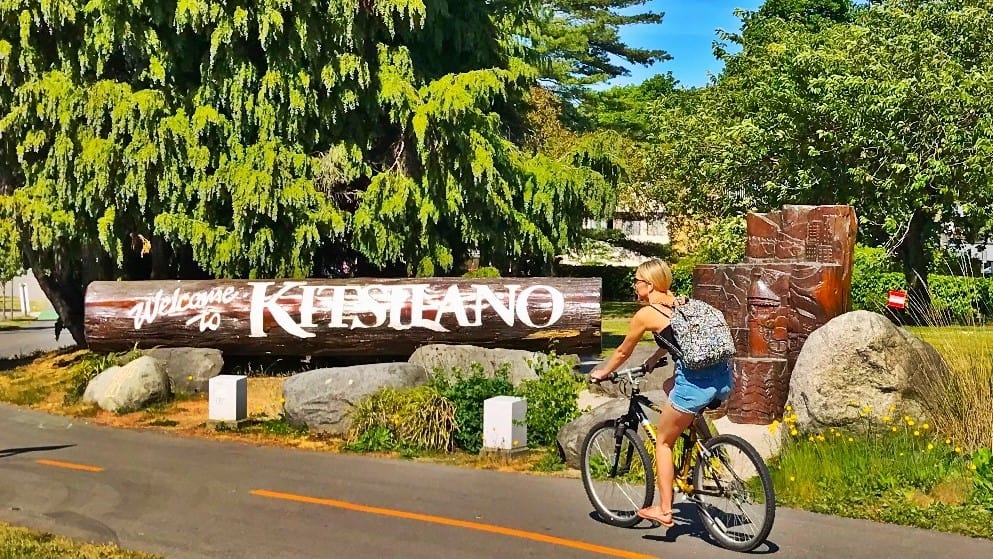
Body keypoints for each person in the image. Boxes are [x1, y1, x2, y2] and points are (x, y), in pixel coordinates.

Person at [589, 258, 734, 528]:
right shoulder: (682, 302)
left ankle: (665, 509)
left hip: (694, 384)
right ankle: (700, 436)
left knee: (663, 442)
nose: (634, 286)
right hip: (724, 378)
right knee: (669, 387)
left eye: (637, 281)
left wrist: (602, 372)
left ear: (650, 284)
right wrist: (655, 358)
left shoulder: (646, 314)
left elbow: (622, 352)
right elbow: (682, 337)